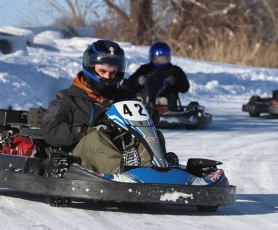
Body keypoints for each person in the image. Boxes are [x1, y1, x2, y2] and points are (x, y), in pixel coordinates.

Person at [41, 40, 159, 175]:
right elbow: (50, 130)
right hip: (79, 157)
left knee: (152, 136)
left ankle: (155, 172)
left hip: (120, 149)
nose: (108, 77)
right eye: (102, 71)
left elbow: (147, 121)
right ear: (90, 69)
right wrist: (85, 131)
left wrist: (149, 113)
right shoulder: (66, 98)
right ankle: (121, 174)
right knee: (95, 137)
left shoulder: (123, 97)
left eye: (113, 73)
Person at [125, 42, 190, 111]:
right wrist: (138, 81)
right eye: (157, 59)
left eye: (163, 59)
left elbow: (185, 88)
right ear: (152, 58)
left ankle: (163, 112)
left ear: (168, 58)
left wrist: (174, 81)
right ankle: (141, 111)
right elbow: (128, 85)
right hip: (145, 99)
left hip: (166, 100)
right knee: (139, 97)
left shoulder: (174, 70)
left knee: (164, 99)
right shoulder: (145, 69)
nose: (160, 62)